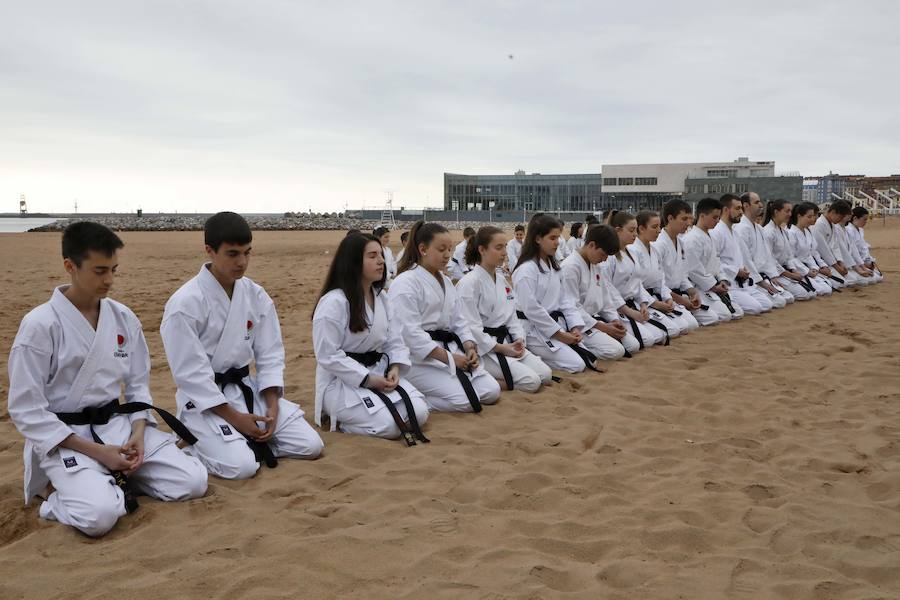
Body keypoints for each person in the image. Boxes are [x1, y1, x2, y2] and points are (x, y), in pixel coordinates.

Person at [8, 222, 207, 537]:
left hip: (118, 427)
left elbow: (139, 386)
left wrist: (139, 434)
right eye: (100, 271)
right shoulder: (39, 326)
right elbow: (26, 409)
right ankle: (51, 496)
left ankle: (110, 479)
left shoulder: (124, 318)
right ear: (70, 267)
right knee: (99, 517)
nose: (110, 280)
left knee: (193, 481)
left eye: (114, 269)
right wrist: (100, 453)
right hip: (66, 436)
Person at [161, 212, 324, 481]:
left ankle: (239, 441)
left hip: (249, 390)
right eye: (233, 254)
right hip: (206, 401)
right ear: (210, 251)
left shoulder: (255, 294)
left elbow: (270, 353)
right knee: (243, 467)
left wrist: (273, 405)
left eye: (248, 253)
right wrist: (236, 419)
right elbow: (191, 375)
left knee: (311, 446)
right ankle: (197, 442)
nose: (243, 262)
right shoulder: (185, 304)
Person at [312, 234, 429, 445]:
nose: (381, 261)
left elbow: (394, 339)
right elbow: (327, 355)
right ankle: (343, 422)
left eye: (381, 255)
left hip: (379, 371)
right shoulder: (333, 303)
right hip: (341, 381)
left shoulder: (381, 298)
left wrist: (395, 368)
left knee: (419, 412)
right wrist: (367, 378)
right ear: (354, 261)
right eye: (372, 256)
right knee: (390, 426)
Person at [389, 221, 501, 412]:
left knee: (491, 391)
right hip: (417, 359)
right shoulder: (405, 283)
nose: (447, 255)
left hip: (448, 349)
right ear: (422, 249)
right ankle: (419, 399)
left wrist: (469, 346)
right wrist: (449, 358)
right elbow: (410, 334)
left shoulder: (447, 283)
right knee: (467, 401)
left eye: (449, 249)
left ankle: (433, 390)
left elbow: (459, 320)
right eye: (441, 249)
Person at [456, 227, 552, 392]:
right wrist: (500, 348)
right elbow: (471, 327)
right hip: (484, 349)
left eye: (505, 247)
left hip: (507, 342)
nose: (504, 253)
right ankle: (487, 381)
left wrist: (520, 340)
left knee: (546, 375)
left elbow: (512, 318)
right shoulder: (468, 284)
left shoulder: (502, 282)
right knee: (532, 382)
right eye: (498, 247)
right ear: (482, 250)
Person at [512, 214, 594, 373]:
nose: (557, 242)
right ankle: (535, 358)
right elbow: (532, 309)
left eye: (558, 237)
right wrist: (560, 335)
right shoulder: (526, 270)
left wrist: (574, 326)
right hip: (532, 329)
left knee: (589, 358)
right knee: (577, 365)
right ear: (537, 239)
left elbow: (565, 300)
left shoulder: (554, 267)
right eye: (552, 238)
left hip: (555, 325)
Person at [561, 223, 641, 359]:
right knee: (616, 351)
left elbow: (606, 299)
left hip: (595, 321)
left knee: (633, 345)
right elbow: (572, 307)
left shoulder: (595, 265)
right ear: (592, 245)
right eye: (603, 254)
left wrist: (615, 320)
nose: (604, 260)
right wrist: (603, 327)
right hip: (578, 325)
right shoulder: (570, 267)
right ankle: (576, 350)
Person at [654, 199, 726, 326]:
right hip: (665, 296)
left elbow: (683, 274)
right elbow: (658, 283)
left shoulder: (680, 242)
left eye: (690, 218)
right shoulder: (659, 244)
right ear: (670, 218)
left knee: (713, 317)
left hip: (682, 294)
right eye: (684, 219)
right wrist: (681, 300)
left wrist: (693, 292)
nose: (689, 223)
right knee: (689, 325)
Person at [604, 211, 670, 347]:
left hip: (634, 304)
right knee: (646, 340)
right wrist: (629, 312)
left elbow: (638, 284)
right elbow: (608, 289)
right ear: (618, 230)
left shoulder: (632, 253)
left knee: (663, 333)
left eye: (635, 230)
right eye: (631, 230)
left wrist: (644, 305)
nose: (635, 234)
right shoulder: (609, 257)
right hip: (617, 308)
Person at [630, 210, 700, 336]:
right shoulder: (633, 251)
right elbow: (636, 285)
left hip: (658, 296)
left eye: (659, 227)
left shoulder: (654, 250)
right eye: (654, 227)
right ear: (641, 228)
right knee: (672, 331)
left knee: (691, 324)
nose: (658, 230)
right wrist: (655, 303)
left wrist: (667, 298)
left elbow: (660, 280)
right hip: (642, 301)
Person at [709, 194, 774, 315]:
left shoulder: (734, 232)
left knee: (767, 304)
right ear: (726, 210)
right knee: (756, 308)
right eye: (737, 208)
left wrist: (742, 269)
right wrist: (736, 271)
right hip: (728, 284)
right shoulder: (716, 233)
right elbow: (714, 263)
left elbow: (741, 259)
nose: (741, 212)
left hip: (742, 282)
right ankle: (725, 303)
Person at [682, 198, 742, 321]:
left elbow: (717, 263)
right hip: (698, 287)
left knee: (737, 312)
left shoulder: (710, 236)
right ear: (702, 216)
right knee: (723, 316)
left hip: (712, 284)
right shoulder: (692, 239)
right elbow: (693, 270)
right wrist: (714, 286)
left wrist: (722, 280)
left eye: (719, 217)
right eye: (714, 217)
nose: (717, 221)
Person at [734, 192, 795, 307]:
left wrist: (773, 276)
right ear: (746, 205)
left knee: (788, 297)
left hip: (763, 274)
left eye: (760, 201)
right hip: (750, 277)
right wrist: (761, 282)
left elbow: (768, 256)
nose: (761, 205)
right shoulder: (741, 228)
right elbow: (745, 260)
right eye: (756, 202)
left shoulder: (759, 228)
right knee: (777, 302)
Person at [761, 200, 818, 300]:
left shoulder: (783, 231)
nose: (790, 214)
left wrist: (794, 271)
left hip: (786, 271)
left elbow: (789, 256)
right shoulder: (768, 232)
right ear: (776, 212)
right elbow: (769, 259)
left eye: (790, 211)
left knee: (810, 293)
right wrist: (789, 274)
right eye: (787, 211)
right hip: (774, 273)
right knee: (799, 296)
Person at [787, 202, 835, 296]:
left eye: (813, 216)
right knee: (822, 290)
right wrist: (806, 271)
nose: (812, 219)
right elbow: (791, 258)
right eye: (809, 217)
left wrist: (820, 267)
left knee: (828, 286)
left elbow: (812, 254)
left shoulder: (807, 232)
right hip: (798, 269)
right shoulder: (791, 233)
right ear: (799, 216)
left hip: (811, 268)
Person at [811, 200, 859, 288]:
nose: (841, 220)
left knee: (853, 279)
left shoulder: (832, 225)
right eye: (840, 217)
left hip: (832, 262)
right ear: (833, 212)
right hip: (822, 263)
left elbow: (835, 246)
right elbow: (823, 250)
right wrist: (836, 267)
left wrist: (841, 262)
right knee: (842, 283)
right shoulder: (819, 225)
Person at [847, 206, 883, 282]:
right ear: (855, 218)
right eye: (864, 219)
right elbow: (852, 252)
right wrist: (862, 264)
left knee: (879, 277)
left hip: (863, 262)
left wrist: (870, 261)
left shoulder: (860, 230)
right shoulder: (849, 230)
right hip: (854, 263)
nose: (866, 222)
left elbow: (864, 249)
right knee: (871, 280)